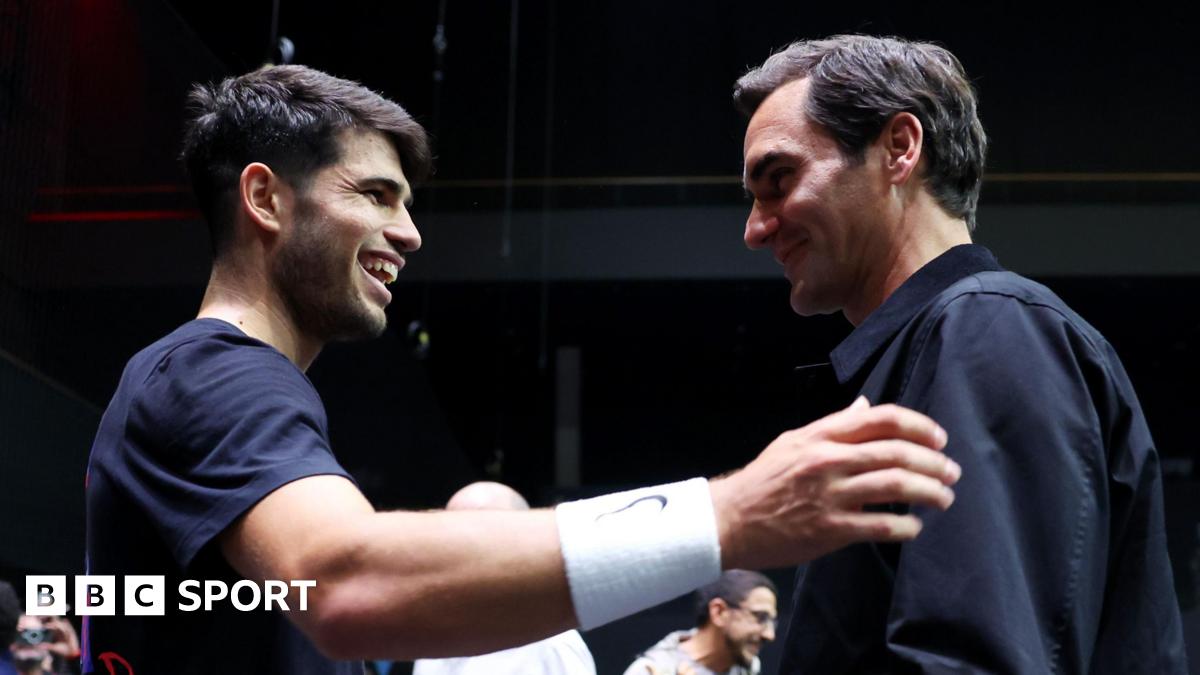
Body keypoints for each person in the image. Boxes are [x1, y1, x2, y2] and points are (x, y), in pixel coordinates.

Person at [83, 64, 961, 674]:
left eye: (408, 204)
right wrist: (731, 511)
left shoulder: (227, 387)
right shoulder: (211, 372)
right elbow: (346, 584)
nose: (410, 233)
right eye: (375, 195)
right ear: (265, 198)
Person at [734, 34, 1187, 673]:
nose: (755, 229)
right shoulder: (955, 340)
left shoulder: (986, 329)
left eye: (778, 180)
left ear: (899, 148)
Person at [412, 482, 596, 675]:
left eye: (478, 531)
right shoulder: (436, 641)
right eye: (450, 530)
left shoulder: (551, 645)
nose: (460, 546)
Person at [623, 570, 776, 675]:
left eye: (771, 622)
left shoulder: (746, 666)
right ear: (719, 612)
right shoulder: (651, 670)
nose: (769, 635)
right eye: (760, 617)